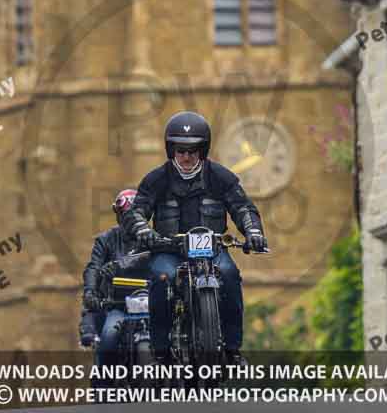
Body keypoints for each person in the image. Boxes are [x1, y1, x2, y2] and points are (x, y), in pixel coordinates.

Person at [122, 111, 268, 364]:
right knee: (160, 277)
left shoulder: (220, 176)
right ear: (172, 150)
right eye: (181, 150)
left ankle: (232, 350)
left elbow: (242, 207)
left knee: (231, 276)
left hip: (212, 249)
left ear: (203, 150)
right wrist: (143, 230)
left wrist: (253, 232)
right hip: (169, 250)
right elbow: (137, 211)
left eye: (193, 150)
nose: (187, 156)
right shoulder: (156, 179)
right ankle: (161, 350)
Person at [79, 189, 149, 369]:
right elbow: (93, 267)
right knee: (109, 338)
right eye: (127, 215)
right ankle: (104, 388)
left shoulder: (153, 238)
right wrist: (90, 291)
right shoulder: (106, 240)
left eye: (136, 215)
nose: (131, 220)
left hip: (153, 303)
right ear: (118, 215)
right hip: (118, 304)